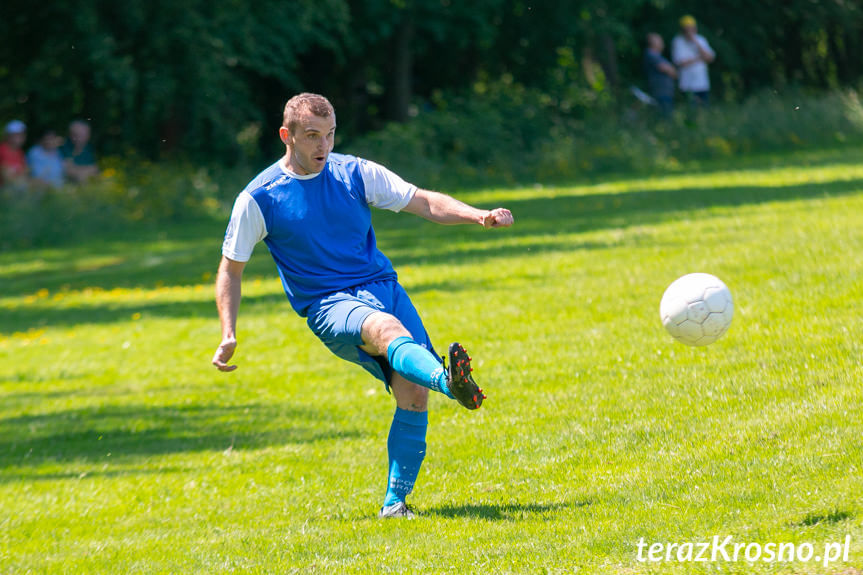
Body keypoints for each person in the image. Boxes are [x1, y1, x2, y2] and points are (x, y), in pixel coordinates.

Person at [212, 93, 514, 519]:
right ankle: (452, 385)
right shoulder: (259, 198)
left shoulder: (353, 172)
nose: (324, 146)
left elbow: (423, 200)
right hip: (328, 303)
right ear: (287, 136)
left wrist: (478, 215)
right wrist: (228, 332)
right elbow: (231, 270)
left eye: (330, 134)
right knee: (386, 329)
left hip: (381, 284)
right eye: (313, 136)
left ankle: (395, 505)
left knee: (412, 393)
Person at [671, 15, 716, 107]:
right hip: (687, 85)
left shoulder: (701, 40)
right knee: (691, 111)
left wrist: (695, 41)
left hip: (703, 83)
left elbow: (710, 58)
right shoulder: (677, 42)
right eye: (687, 29)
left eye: (691, 28)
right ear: (682, 30)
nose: (689, 31)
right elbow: (680, 63)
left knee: (704, 110)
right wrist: (699, 58)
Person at [643, 33, 678, 118]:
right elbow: (666, 69)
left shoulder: (658, 56)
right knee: (664, 116)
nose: (662, 43)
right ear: (653, 42)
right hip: (660, 91)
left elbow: (673, 72)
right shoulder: (651, 54)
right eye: (660, 40)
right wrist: (672, 70)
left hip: (665, 91)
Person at [0, 120, 29, 190]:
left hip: (16, 190)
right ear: (8, 135)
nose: (20, 137)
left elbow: (24, 173)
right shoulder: (1, 150)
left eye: (22, 134)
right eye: (16, 134)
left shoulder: (20, 153)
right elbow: (5, 174)